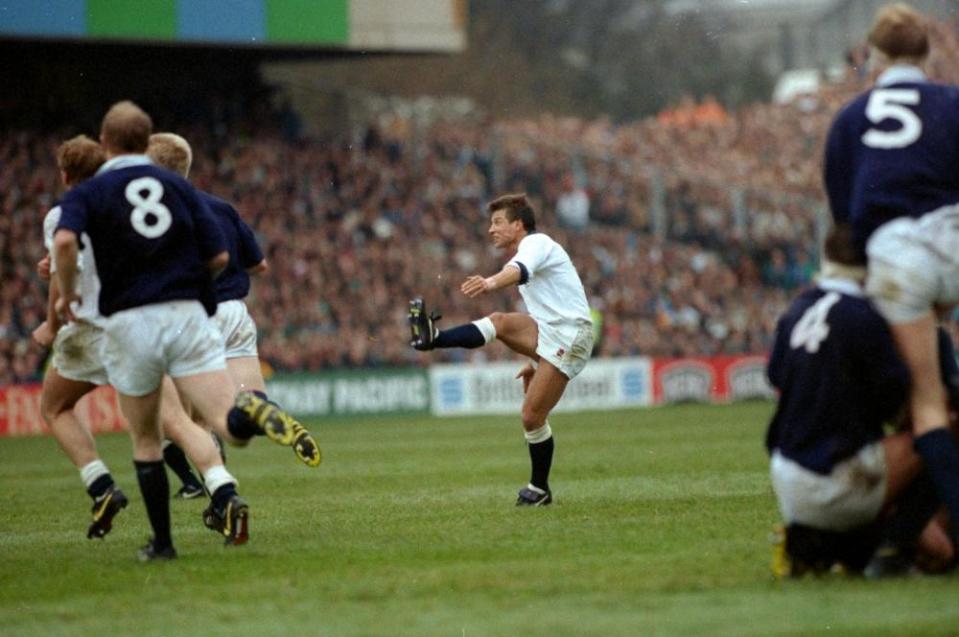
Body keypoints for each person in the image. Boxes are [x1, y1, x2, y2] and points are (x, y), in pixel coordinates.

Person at [52, 101, 300, 560]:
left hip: (131, 321)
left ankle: (163, 544)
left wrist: (66, 291)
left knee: (147, 437)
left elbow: (65, 241)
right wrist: (191, 284)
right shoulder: (177, 186)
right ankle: (255, 412)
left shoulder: (91, 190)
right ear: (145, 143)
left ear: (104, 143)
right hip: (188, 315)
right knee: (228, 422)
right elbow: (219, 256)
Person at [822, 3, 959, 555]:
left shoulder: (853, 118)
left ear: (873, 57)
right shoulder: (952, 102)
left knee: (926, 405)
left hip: (898, 258)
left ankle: (917, 533)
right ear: (929, 53)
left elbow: (844, 221)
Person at [766, 225, 953, 577]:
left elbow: (776, 376)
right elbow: (901, 406)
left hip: (787, 476)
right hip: (837, 480)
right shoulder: (865, 317)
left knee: (935, 547)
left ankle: (816, 544)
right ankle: (891, 548)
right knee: (942, 425)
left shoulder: (797, 308)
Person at [146, 132, 320, 467]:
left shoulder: (160, 215)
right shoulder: (220, 207)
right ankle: (269, 413)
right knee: (250, 400)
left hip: (194, 315)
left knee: (186, 421)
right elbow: (260, 264)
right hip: (236, 314)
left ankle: (219, 493)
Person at [408, 193, 594, 505]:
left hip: (570, 335)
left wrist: (490, 283)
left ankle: (539, 489)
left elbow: (518, 270)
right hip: (553, 333)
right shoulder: (533, 248)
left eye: (498, 222)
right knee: (501, 322)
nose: (491, 229)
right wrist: (537, 360)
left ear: (518, 225)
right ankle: (433, 337)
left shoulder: (536, 244)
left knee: (531, 416)